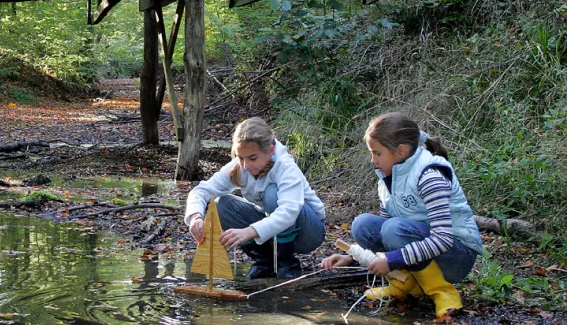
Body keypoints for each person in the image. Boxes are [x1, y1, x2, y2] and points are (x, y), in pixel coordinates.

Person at [320, 112, 482, 318]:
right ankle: (404, 283)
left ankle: (442, 291)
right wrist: (352, 257)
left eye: (377, 153)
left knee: (394, 229)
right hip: (423, 245)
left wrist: (393, 259)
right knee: (363, 225)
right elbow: (384, 234)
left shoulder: (430, 175)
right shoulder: (387, 177)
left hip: (456, 256)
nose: (372, 160)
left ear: (401, 151)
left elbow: (443, 239)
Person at [185, 117, 326, 279]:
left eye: (253, 158)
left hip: (308, 233)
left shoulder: (285, 166)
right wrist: (196, 216)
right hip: (273, 231)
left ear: (271, 151)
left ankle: (287, 265)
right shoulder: (238, 168)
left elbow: (289, 212)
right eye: (240, 157)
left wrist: (250, 231)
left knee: (272, 194)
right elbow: (201, 191)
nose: (246, 166)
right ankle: (265, 262)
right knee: (222, 204)